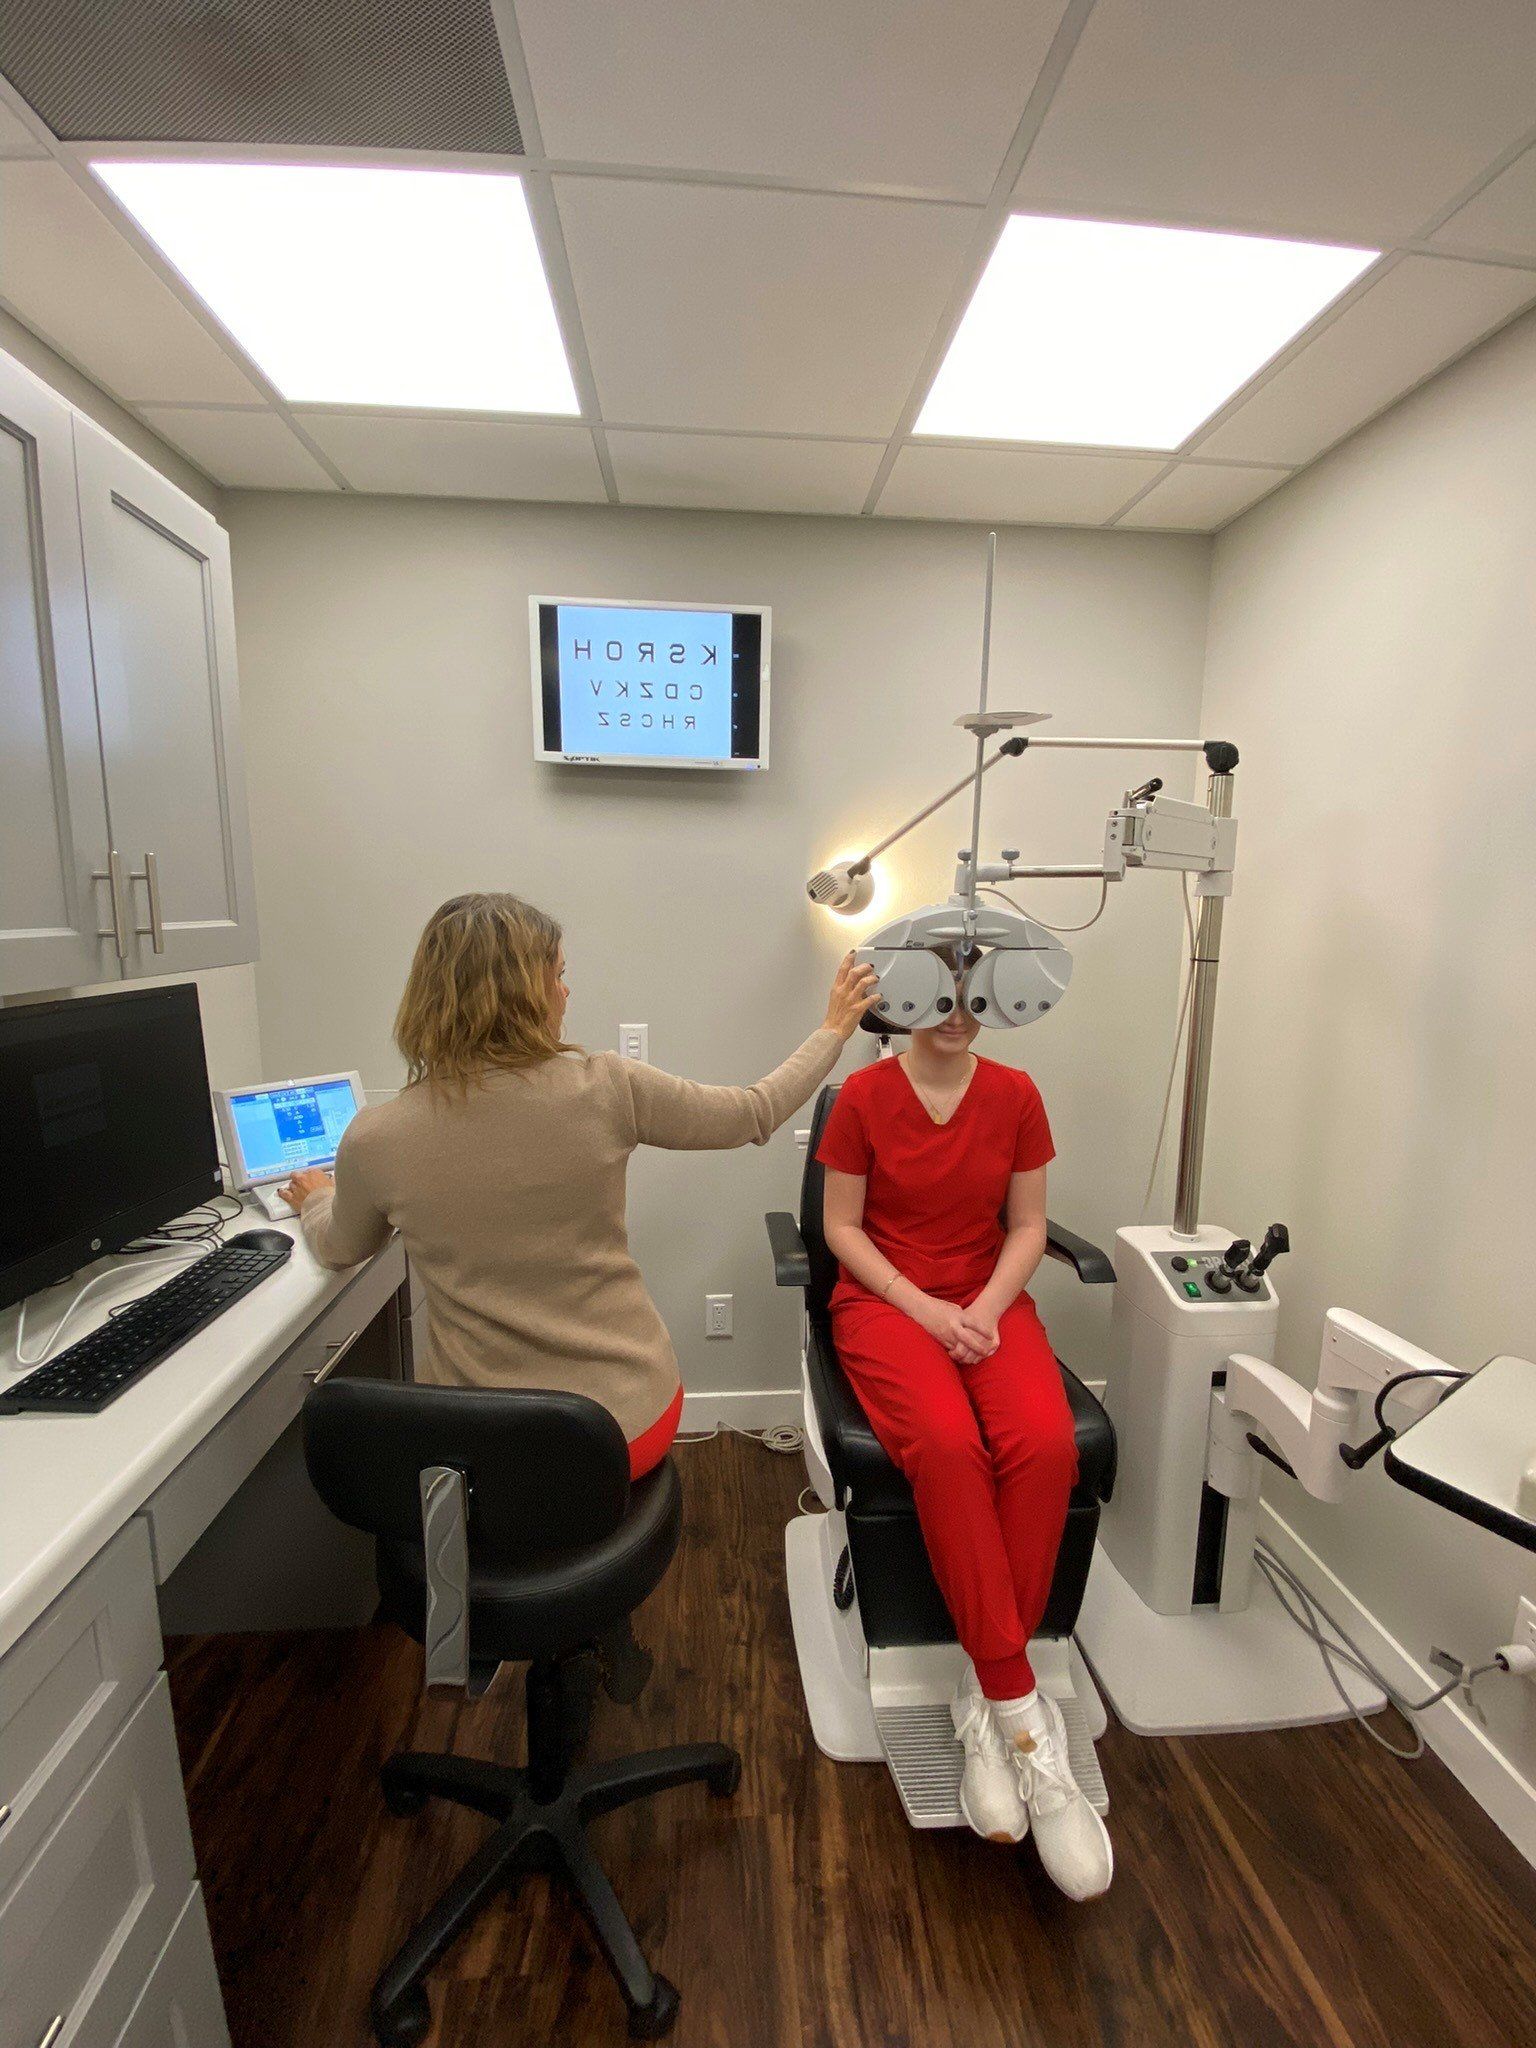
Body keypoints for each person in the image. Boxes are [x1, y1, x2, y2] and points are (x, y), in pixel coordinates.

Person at [281, 893, 878, 1479]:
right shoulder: (607, 1088)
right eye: (558, 975)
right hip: (623, 1425)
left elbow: (339, 1247)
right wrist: (832, 1029)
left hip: (474, 1444)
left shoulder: (375, 1137)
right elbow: (754, 1111)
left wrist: (316, 1201)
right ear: (519, 994)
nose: (567, 991)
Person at [817, 968, 1113, 1898]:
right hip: (884, 1304)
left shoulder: (1017, 1095)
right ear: (904, 999)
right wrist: (923, 1309)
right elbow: (839, 1228)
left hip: (988, 1302)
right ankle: (1024, 1719)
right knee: (948, 1447)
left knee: (1046, 1445)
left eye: (975, 992)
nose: (957, 1011)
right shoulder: (863, 1098)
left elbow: (1028, 1225)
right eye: (938, 991)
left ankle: (985, 1697)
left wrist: (980, 1308)